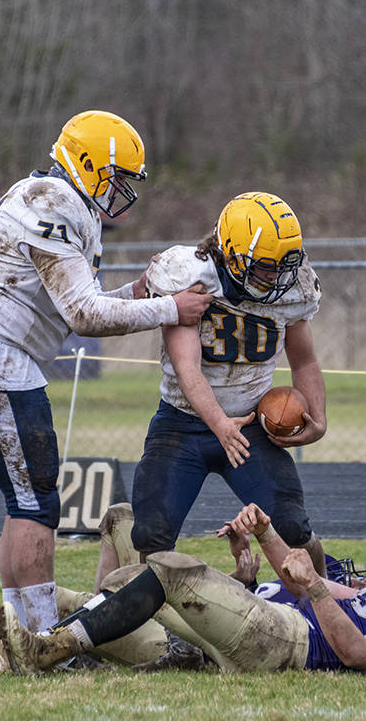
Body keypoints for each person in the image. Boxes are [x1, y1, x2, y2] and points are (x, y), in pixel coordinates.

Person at [0, 110, 213, 635]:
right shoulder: (56, 203)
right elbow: (85, 316)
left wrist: (139, 293)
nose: (122, 191)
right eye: (116, 177)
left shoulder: (48, 195)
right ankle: (39, 634)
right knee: (37, 503)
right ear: (87, 164)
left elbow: (76, 308)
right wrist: (172, 309)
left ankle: (18, 628)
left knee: (27, 502)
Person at [0, 502, 366, 675]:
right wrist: (265, 534)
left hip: (292, 643)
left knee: (168, 570)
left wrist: (316, 593)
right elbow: (311, 584)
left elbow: (359, 653)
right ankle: (41, 637)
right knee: (123, 565)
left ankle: (53, 648)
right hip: (273, 620)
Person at [129, 191, 327, 570]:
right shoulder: (190, 276)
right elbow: (187, 367)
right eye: (267, 266)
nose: (278, 277)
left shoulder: (294, 288)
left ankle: (325, 599)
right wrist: (219, 425)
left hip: (251, 424)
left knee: (294, 529)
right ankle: (146, 619)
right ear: (232, 254)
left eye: (286, 265)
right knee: (152, 536)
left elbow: (305, 360)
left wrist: (318, 419)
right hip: (182, 422)